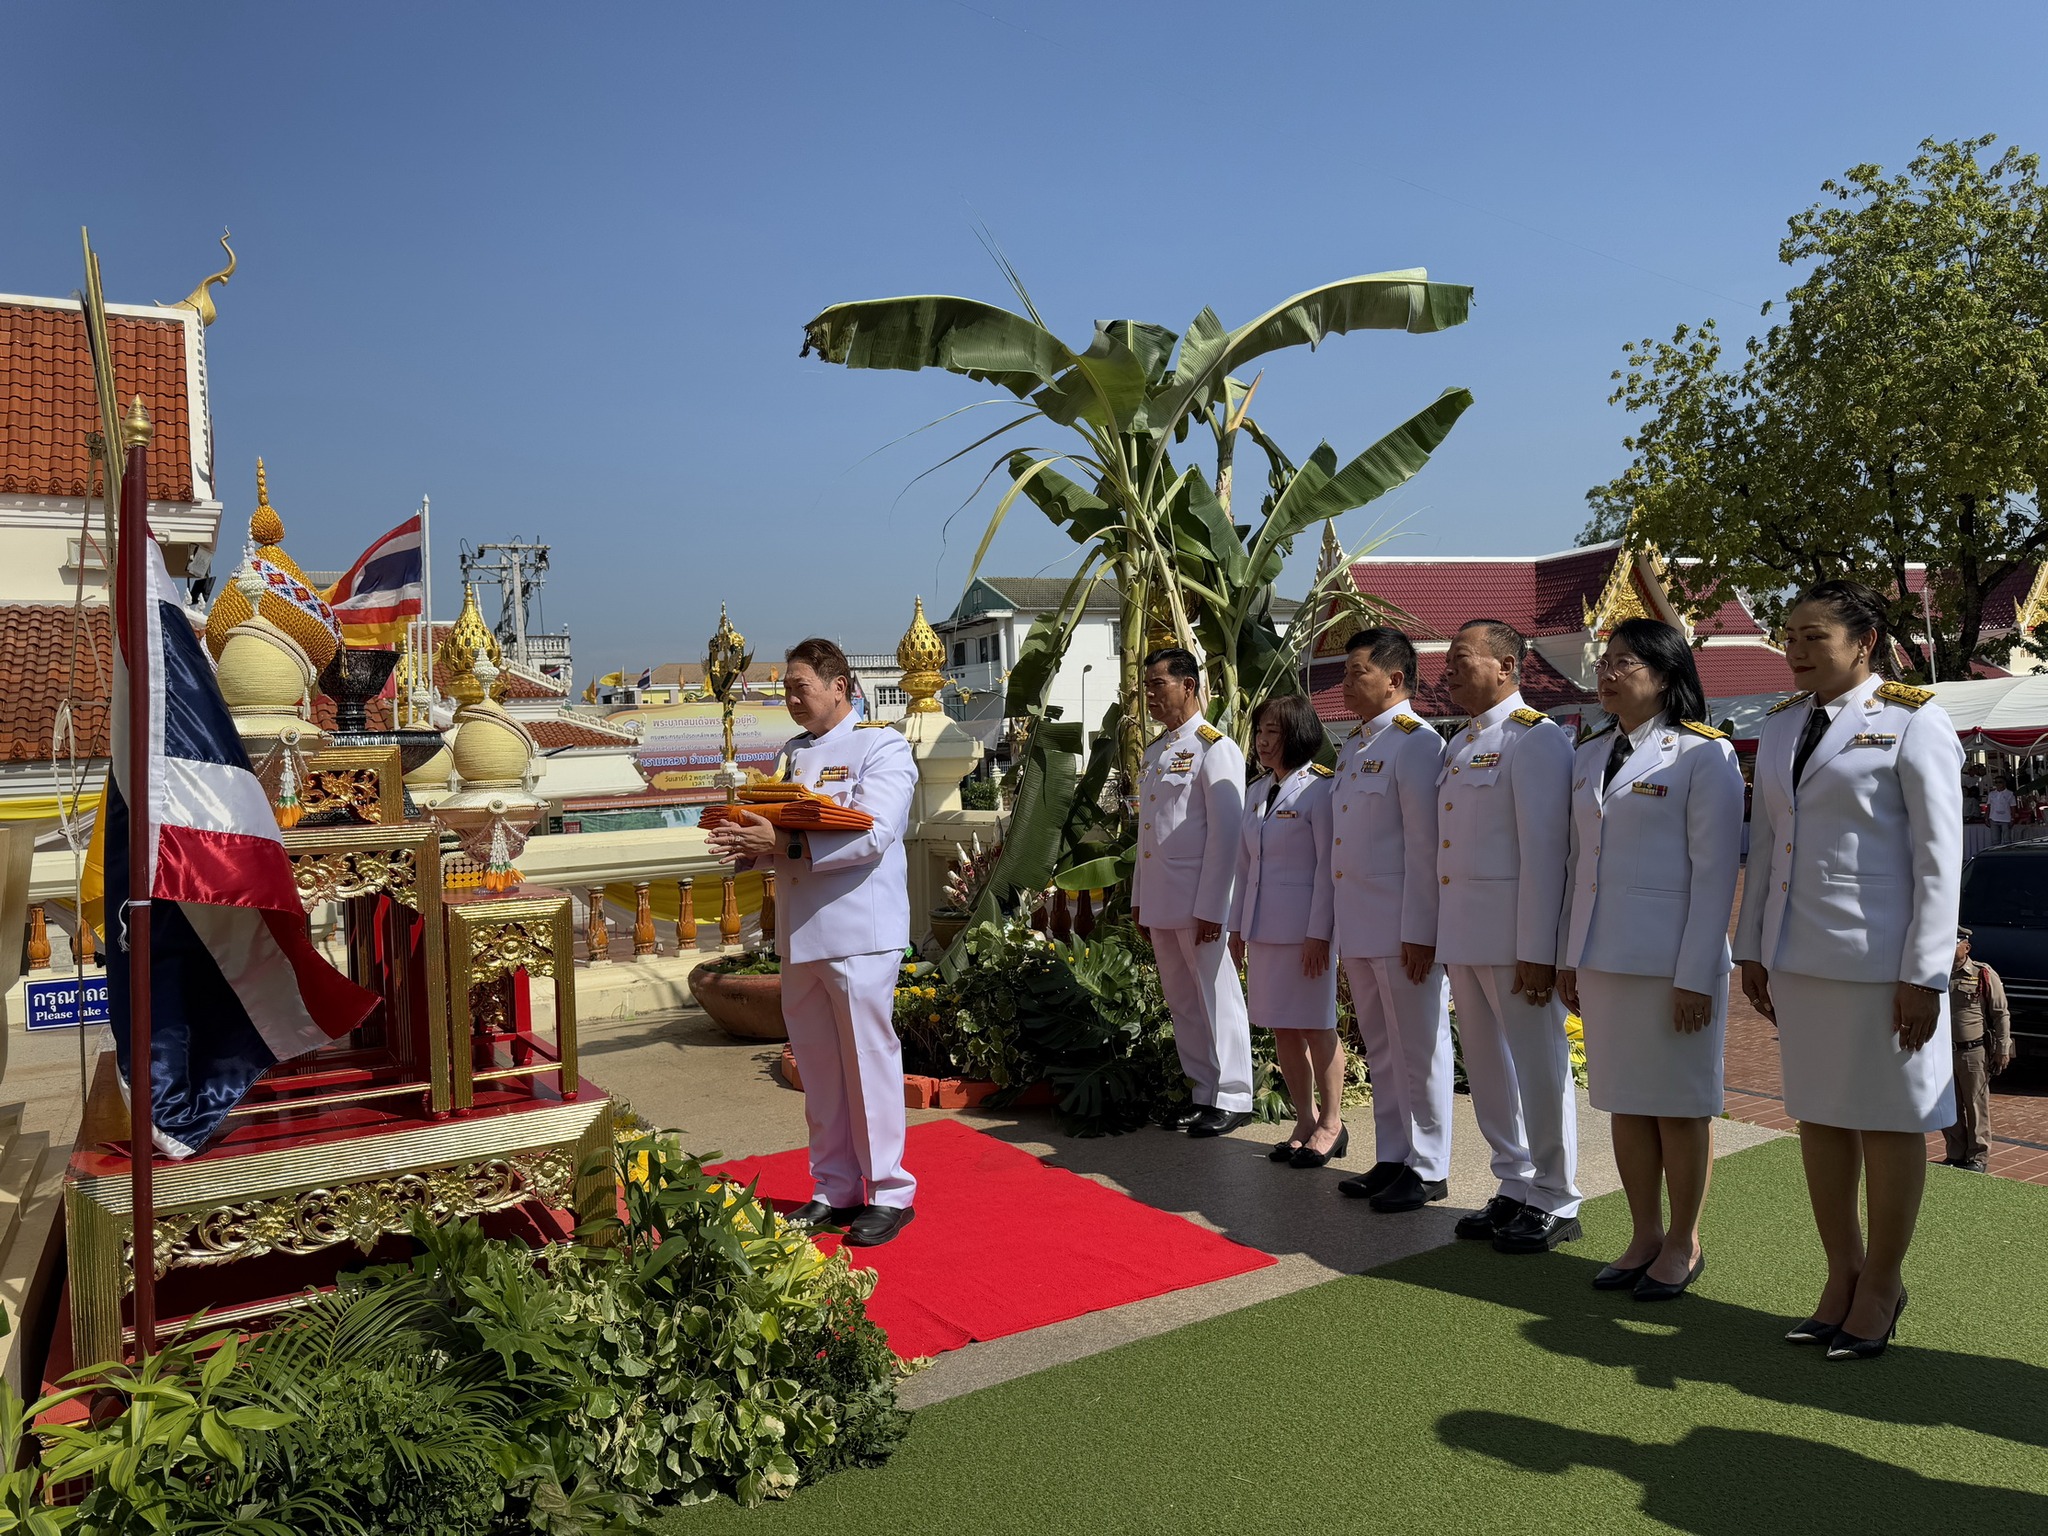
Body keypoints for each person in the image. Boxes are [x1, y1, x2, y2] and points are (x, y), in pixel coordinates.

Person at [1735, 579, 1963, 1359]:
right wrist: (1752, 946)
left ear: (1863, 641)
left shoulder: (1911, 720)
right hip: (1800, 959)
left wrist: (1924, 972)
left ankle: (1884, 1283)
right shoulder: (1780, 724)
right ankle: (1842, 1272)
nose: (1795, 651)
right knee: (1822, 1117)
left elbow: (1939, 857)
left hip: (1881, 962)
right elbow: (1766, 844)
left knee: (1890, 1122)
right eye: (1789, 636)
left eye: (1813, 637)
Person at [706, 637, 920, 1246]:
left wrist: (778, 845)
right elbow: (783, 836)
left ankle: (888, 1191)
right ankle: (833, 1186)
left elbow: (873, 834)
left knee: (869, 1060)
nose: (792, 700)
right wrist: (746, 851)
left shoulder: (882, 745)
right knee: (820, 1068)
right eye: (786, 690)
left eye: (800, 688)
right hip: (802, 931)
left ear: (839, 686)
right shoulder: (793, 754)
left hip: (859, 929)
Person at [1556, 619, 1744, 1301]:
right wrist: (1568, 959)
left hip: (1673, 966)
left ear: (1665, 675)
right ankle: (1643, 1232)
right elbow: (1581, 868)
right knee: (1626, 1105)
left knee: (1679, 1108)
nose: (1607, 673)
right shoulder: (1588, 756)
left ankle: (1684, 1240)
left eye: (1625, 663)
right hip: (1604, 959)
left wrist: (1696, 974)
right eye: (1604, 662)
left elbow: (1715, 871)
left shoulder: (1702, 755)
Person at [1437, 619, 1582, 1253]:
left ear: (1505, 666)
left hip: (1513, 938)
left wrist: (1537, 950)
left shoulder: (1536, 738)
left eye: (1462, 658)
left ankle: (1556, 1193)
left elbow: (1546, 854)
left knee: (1538, 1064)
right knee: (1489, 1069)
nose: (1448, 670)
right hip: (1465, 934)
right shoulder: (1459, 743)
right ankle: (1514, 1181)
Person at [1328, 627, 1455, 1213]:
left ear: (1395, 679)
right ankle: (1394, 1154)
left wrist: (1420, 931)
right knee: (1380, 1045)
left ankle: (1429, 1165)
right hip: (1360, 922)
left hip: (1402, 927)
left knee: (1419, 1046)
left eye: (1357, 672)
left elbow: (1427, 849)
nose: (1345, 683)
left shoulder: (1415, 744)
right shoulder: (1355, 747)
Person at [1131, 647, 1254, 1137]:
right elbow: (1148, 835)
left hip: (1200, 900)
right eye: (1148, 687)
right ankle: (1203, 1091)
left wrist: (1213, 907)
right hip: (1163, 898)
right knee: (1182, 998)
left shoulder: (1215, 747)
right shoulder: (1155, 752)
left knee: (1216, 994)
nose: (1152, 696)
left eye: (1159, 684)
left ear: (1189, 685)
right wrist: (1140, 898)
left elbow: (1227, 837)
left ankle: (1234, 1093)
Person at [1227, 694, 1341, 1167]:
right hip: (1263, 927)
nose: (1263, 741)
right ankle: (1305, 1118)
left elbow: (1327, 868)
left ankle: (1333, 1122)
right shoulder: (1257, 791)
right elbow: (1243, 867)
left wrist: (1320, 933)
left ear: (1297, 734)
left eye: (1273, 731)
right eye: (1260, 732)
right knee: (1283, 1026)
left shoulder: (1320, 789)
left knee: (1316, 1024)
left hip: (1304, 932)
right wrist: (1236, 930)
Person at [1943, 926, 2013, 1173]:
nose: (1948, 948)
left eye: (1954, 943)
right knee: (1948, 1104)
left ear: (1966, 947)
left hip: (1972, 1052)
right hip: (1942, 1053)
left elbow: (2000, 1014)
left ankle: (1978, 1156)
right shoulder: (1936, 974)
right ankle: (1955, 1153)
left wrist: (2003, 1048)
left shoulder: (1982, 973)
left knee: (1975, 1104)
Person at [1988, 777, 2016, 844]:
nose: (1998, 784)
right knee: (1995, 841)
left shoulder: (2010, 794)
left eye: (2000, 782)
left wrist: (2012, 818)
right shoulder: (1991, 794)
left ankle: (2007, 854)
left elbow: (2013, 807)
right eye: (1996, 782)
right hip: (1994, 819)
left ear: (2004, 783)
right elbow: (1989, 806)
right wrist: (1986, 818)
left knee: (2007, 841)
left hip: (2006, 820)